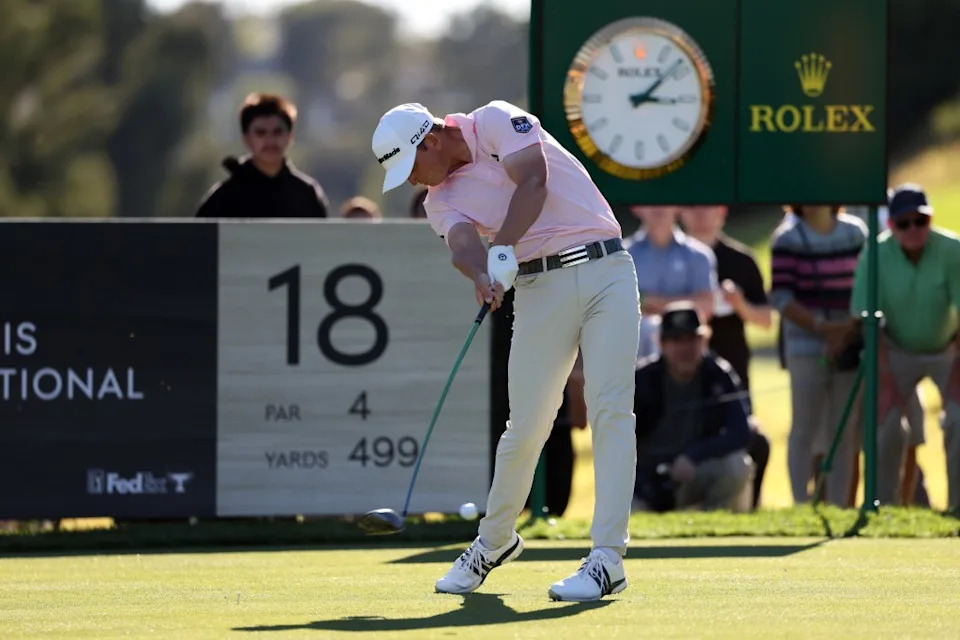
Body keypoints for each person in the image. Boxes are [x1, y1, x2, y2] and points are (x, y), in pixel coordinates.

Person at [372, 100, 640, 601]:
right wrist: (480, 273)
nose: (411, 181)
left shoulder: (494, 121)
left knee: (610, 410)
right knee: (527, 427)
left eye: (410, 167)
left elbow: (533, 181)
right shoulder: (437, 197)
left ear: (429, 140)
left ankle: (607, 558)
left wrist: (502, 250)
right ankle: (494, 541)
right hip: (539, 288)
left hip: (607, 270)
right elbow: (460, 243)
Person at [851, 184, 960, 513]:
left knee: (958, 419)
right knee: (887, 423)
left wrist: (957, 372)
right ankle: (882, 507)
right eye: (904, 223)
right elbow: (869, 323)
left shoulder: (952, 249)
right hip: (894, 350)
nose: (913, 229)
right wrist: (885, 380)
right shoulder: (874, 255)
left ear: (930, 219)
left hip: (948, 349)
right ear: (891, 226)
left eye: (920, 221)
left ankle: (956, 508)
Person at [770, 205, 866, 506]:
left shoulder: (855, 233)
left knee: (844, 428)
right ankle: (800, 503)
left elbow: (864, 288)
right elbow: (782, 298)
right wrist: (824, 329)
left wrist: (846, 329)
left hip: (849, 342)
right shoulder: (787, 238)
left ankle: (839, 505)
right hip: (804, 345)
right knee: (804, 428)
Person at [679, 205, 773, 509]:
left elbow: (766, 318)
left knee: (750, 442)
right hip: (682, 375)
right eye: (695, 208)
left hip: (734, 374)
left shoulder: (741, 260)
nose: (700, 214)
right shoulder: (675, 257)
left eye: (709, 208)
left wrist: (740, 304)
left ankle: (748, 509)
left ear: (722, 213)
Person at [633, 303, 753, 513]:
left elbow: (741, 431)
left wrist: (694, 455)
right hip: (645, 480)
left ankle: (718, 531)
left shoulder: (718, 374)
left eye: (692, 339)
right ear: (661, 344)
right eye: (677, 340)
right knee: (628, 522)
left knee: (737, 466)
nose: (685, 348)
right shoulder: (643, 379)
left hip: (696, 471)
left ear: (704, 340)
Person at [196, 93, 329, 218]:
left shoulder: (306, 194)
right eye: (260, 133)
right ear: (247, 138)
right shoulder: (225, 197)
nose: (270, 141)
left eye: (277, 132)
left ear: (290, 137)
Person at [626, 206, 716, 360]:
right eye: (650, 199)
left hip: (686, 341)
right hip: (631, 348)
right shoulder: (621, 255)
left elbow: (706, 306)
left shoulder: (699, 255)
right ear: (636, 208)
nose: (658, 206)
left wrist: (650, 301)